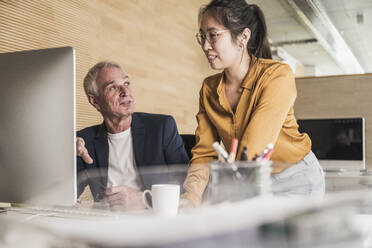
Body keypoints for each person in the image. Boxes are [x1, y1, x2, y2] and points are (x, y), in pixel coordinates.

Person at [181, 0, 325, 206]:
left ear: (243, 37)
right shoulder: (209, 89)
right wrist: (191, 197)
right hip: (250, 180)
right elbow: (205, 152)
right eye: (202, 36)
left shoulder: (277, 75)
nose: (205, 45)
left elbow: (255, 147)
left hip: (295, 179)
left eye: (213, 35)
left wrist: (216, 199)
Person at [77, 61, 189, 211]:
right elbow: (64, 195)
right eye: (113, 87)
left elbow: (185, 186)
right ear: (95, 101)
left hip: (154, 220)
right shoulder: (85, 141)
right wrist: (65, 156)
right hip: (107, 224)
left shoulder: (161, 127)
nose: (125, 91)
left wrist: (145, 200)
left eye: (127, 83)